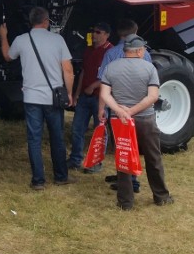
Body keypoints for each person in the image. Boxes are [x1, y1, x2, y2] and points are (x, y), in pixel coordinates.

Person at [0, 7, 76, 190]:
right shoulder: (58, 40)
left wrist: (3, 36)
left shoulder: (21, 40)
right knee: (57, 137)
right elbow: (68, 69)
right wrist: (70, 93)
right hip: (53, 98)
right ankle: (61, 176)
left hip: (31, 98)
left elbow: (7, 56)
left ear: (31, 21)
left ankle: (38, 180)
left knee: (34, 139)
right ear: (46, 21)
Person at [99, 34, 173, 210]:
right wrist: (132, 111)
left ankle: (126, 202)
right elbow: (153, 96)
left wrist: (119, 111)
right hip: (145, 119)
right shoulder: (149, 68)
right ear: (139, 51)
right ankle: (161, 196)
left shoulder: (110, 67)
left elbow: (104, 94)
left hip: (120, 121)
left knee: (123, 159)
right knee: (153, 158)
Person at [98, 19, 152, 193]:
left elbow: (104, 84)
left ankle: (131, 182)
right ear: (135, 32)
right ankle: (126, 176)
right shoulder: (146, 54)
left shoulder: (112, 54)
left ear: (119, 34)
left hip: (117, 108)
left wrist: (102, 108)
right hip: (140, 107)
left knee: (121, 145)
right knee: (132, 145)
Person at [67, 22, 113, 173]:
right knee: (77, 129)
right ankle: (75, 159)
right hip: (85, 97)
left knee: (100, 131)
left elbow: (110, 77)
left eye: (98, 32)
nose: (94, 35)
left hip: (100, 98)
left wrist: (93, 86)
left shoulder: (110, 52)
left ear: (106, 35)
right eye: (93, 31)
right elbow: (83, 72)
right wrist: (77, 94)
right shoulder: (88, 51)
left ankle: (96, 162)